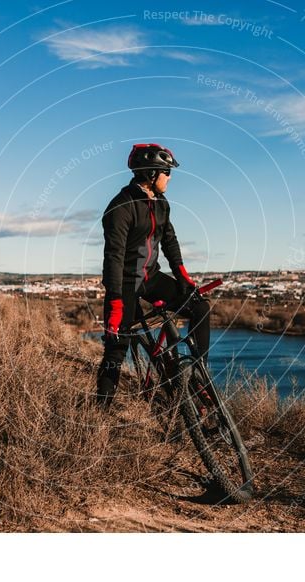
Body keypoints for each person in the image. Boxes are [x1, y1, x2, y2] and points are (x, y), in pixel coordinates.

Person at [96, 143, 210, 408]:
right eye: (166, 172)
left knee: (200, 308)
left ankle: (199, 375)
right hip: (125, 284)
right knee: (116, 347)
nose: (170, 178)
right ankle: (99, 412)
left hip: (152, 277)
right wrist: (114, 300)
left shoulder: (161, 203)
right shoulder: (121, 207)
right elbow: (113, 257)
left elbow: (169, 240)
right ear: (151, 174)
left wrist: (182, 275)